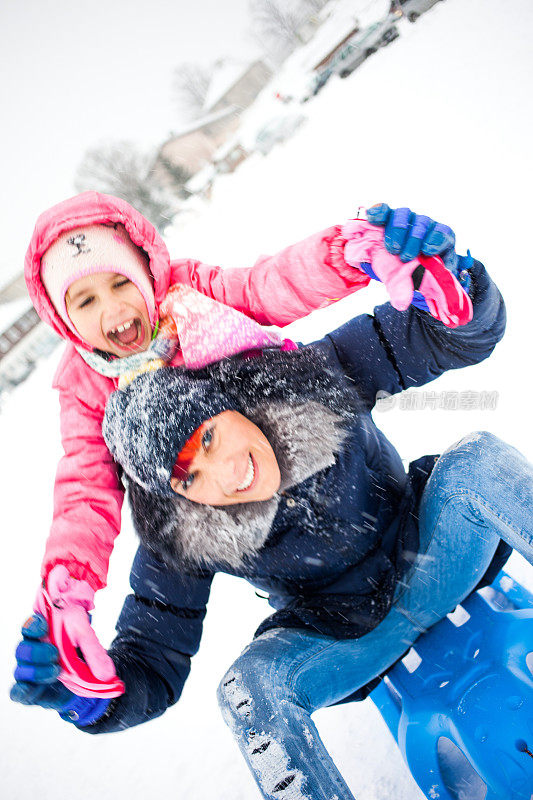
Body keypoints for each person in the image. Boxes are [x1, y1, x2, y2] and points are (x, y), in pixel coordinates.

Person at [13, 206, 519, 800]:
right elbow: (152, 652)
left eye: (208, 437)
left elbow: (434, 335)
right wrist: (90, 695)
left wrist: (453, 289)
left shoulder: (308, 377)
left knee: (480, 462)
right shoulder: (179, 533)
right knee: (248, 691)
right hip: (342, 633)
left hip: (432, 549)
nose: (223, 473)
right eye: (188, 477)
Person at [21, 189, 386, 685]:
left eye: (119, 282)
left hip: (318, 456)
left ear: (144, 273)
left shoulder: (190, 295)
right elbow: (85, 487)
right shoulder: (86, 386)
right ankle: (316, 597)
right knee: (248, 549)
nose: (114, 308)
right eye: (85, 300)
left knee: (359, 481)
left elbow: (266, 288)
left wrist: (348, 252)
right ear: (65, 320)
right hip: (251, 524)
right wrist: (70, 583)